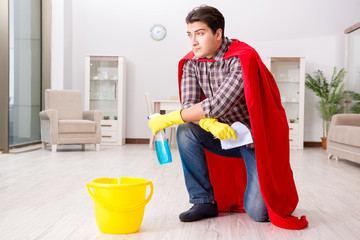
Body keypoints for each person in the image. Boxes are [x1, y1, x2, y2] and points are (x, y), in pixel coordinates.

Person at [149, 5, 308, 229]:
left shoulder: (242, 58)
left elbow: (218, 104)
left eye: (200, 33)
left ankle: (266, 192)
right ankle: (202, 201)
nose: (193, 41)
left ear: (218, 34)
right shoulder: (191, 63)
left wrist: (171, 118)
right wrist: (208, 125)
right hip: (224, 137)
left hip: (255, 142)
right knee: (186, 132)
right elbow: (190, 106)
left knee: (259, 213)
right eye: (189, 35)